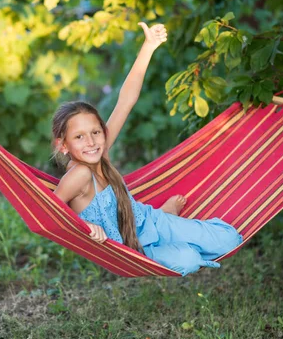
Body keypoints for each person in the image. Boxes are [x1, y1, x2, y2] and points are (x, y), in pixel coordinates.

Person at [52, 22, 242, 276]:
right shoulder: (80, 175)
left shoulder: (101, 151)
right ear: (63, 145)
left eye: (95, 132)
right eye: (79, 137)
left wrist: (148, 47)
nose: (91, 142)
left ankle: (168, 217)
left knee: (230, 239)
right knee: (188, 261)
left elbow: (126, 101)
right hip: (135, 249)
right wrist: (84, 224)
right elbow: (52, 211)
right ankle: (175, 228)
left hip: (150, 221)